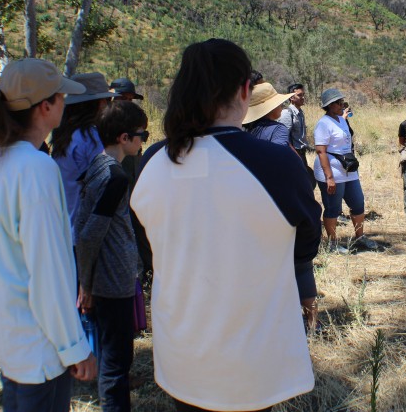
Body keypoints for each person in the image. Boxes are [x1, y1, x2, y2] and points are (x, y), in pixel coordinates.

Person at [131, 39, 319, 412]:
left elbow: (149, 248)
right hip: (252, 364)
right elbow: (306, 245)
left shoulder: (152, 160)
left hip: (180, 357)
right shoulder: (278, 163)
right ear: (245, 90)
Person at [0, 58, 96, 411]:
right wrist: (74, 346)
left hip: (9, 335)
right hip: (39, 345)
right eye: (61, 97)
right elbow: (49, 269)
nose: (66, 104)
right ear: (45, 107)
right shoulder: (35, 168)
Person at [76, 100, 148, 412]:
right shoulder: (115, 178)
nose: (143, 140)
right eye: (141, 135)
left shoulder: (96, 166)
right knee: (117, 363)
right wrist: (86, 284)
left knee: (113, 356)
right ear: (123, 138)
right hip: (111, 279)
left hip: (106, 277)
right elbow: (90, 233)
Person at [244, 82, 321, 333]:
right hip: (282, 202)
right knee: (302, 264)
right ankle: (312, 324)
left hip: (257, 203)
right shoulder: (277, 130)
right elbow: (282, 161)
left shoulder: (247, 132)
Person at [50, 73, 114, 240]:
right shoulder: (90, 138)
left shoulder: (65, 135)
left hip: (63, 228)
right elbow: (105, 182)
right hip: (82, 231)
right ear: (100, 103)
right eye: (108, 101)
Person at [313, 88, 378, 253]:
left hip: (348, 170)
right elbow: (321, 152)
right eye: (338, 102)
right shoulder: (323, 124)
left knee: (358, 203)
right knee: (333, 208)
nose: (342, 104)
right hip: (332, 172)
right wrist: (329, 177)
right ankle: (333, 243)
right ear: (329, 105)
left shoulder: (341, 120)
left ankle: (360, 237)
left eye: (342, 101)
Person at [109, 77, 153, 280]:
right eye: (122, 98)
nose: (127, 102)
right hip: (118, 182)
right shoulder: (106, 122)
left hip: (136, 180)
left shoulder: (136, 119)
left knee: (140, 225)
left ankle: (148, 271)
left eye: (129, 98)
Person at [278, 83, 313, 167]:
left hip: (301, 153)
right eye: (299, 95)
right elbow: (283, 138)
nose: (303, 97)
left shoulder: (300, 113)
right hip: (293, 155)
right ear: (291, 98)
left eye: (303, 94)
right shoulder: (287, 113)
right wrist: (294, 155)